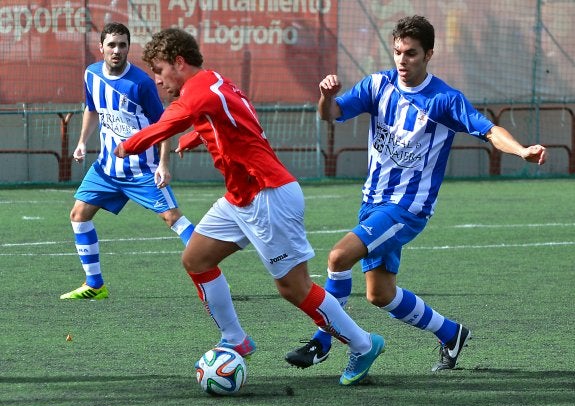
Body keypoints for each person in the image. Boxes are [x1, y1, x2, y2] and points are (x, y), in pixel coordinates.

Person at [113, 28, 383, 386]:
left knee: (294, 288)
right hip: (242, 196)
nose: (160, 81)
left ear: (179, 63)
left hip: (267, 195)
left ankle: (363, 344)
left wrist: (125, 146)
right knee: (196, 259)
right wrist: (198, 134)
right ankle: (235, 339)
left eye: (161, 71)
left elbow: (164, 125)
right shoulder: (215, 82)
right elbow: (237, 115)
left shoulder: (195, 94)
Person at [285, 15, 547, 372]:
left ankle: (323, 340)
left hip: (407, 208)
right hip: (373, 203)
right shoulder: (378, 85)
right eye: (397, 52)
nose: (402, 61)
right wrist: (324, 96)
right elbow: (331, 114)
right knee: (380, 294)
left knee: (338, 258)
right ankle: (452, 333)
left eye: (411, 53)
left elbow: (489, 131)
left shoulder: (444, 100)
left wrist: (521, 151)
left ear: (428, 55)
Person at [60, 22, 195, 300]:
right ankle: (95, 284)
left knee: (174, 219)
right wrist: (82, 142)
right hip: (106, 169)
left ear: (128, 48)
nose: (117, 50)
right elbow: (92, 108)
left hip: (142, 170)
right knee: (78, 215)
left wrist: (163, 164)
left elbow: (164, 125)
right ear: (101, 48)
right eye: (111, 44)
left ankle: (210, 273)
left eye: (123, 45)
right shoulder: (92, 74)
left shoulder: (142, 83)